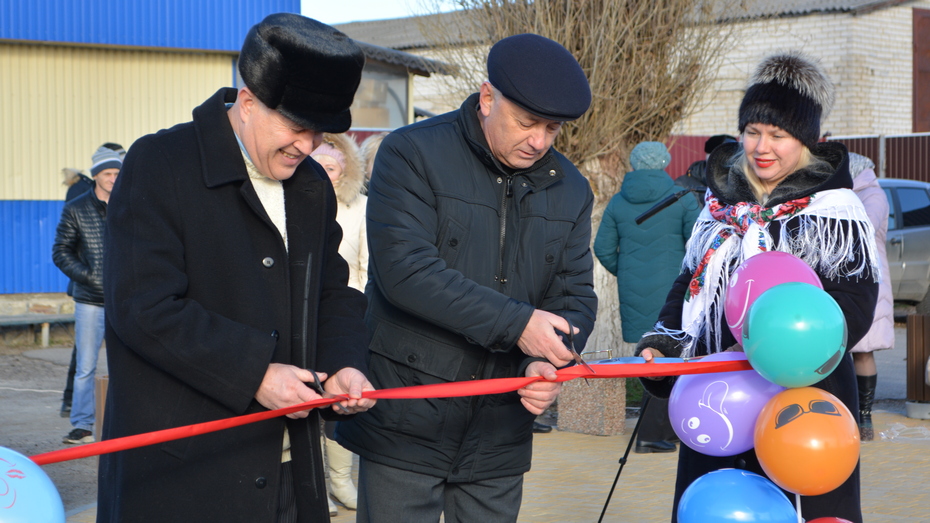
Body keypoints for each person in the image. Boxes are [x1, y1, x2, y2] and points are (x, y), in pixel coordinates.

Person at [98, 14, 376, 523]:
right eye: (296, 127)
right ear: (247, 103)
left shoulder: (311, 184)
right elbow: (141, 307)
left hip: (291, 470)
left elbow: (333, 292)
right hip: (187, 477)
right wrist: (254, 374)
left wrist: (344, 364)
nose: (308, 146)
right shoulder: (160, 163)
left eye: (319, 133)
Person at [336, 33, 598, 523]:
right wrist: (521, 325)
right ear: (486, 98)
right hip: (406, 419)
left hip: (501, 430)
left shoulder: (571, 189)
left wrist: (547, 367)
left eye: (552, 128)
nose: (538, 140)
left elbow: (574, 295)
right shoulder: (412, 152)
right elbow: (406, 271)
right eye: (526, 123)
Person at [636, 51, 879, 523]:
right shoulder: (719, 204)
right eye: (752, 132)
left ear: (806, 142)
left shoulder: (835, 211)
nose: (761, 146)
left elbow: (856, 305)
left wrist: (786, 343)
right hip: (719, 394)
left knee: (808, 506)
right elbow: (689, 285)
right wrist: (664, 343)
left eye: (778, 135)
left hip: (804, 399)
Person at [593, 141, 700, 454]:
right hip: (675, 293)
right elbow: (700, 246)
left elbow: (602, 248)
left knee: (649, 355)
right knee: (671, 355)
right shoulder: (682, 199)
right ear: (664, 162)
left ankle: (655, 431)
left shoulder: (617, 203)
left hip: (633, 290)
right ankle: (655, 433)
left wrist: (626, 272)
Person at [310, 133, 367, 515]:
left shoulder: (361, 209)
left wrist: (350, 326)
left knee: (339, 408)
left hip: (345, 315)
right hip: (307, 319)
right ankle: (319, 484)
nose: (323, 173)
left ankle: (341, 480)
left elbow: (363, 267)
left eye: (330, 167)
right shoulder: (299, 198)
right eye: (319, 165)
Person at [52, 146, 121, 444]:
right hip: (90, 301)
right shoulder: (76, 208)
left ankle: (123, 423)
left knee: (126, 366)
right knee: (85, 367)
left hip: (124, 300)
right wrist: (89, 276)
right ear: (96, 176)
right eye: (107, 173)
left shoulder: (129, 204)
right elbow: (60, 252)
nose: (113, 179)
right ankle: (82, 425)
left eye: (118, 173)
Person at [848, 152, 894, 441]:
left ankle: (864, 417)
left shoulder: (873, 195)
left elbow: (861, 228)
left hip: (868, 281)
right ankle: (846, 413)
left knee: (864, 349)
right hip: (846, 278)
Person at [674, 134, 737, 206]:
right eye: (727, 155)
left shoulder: (738, 184)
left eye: (734, 155)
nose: (732, 160)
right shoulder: (683, 184)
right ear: (711, 155)